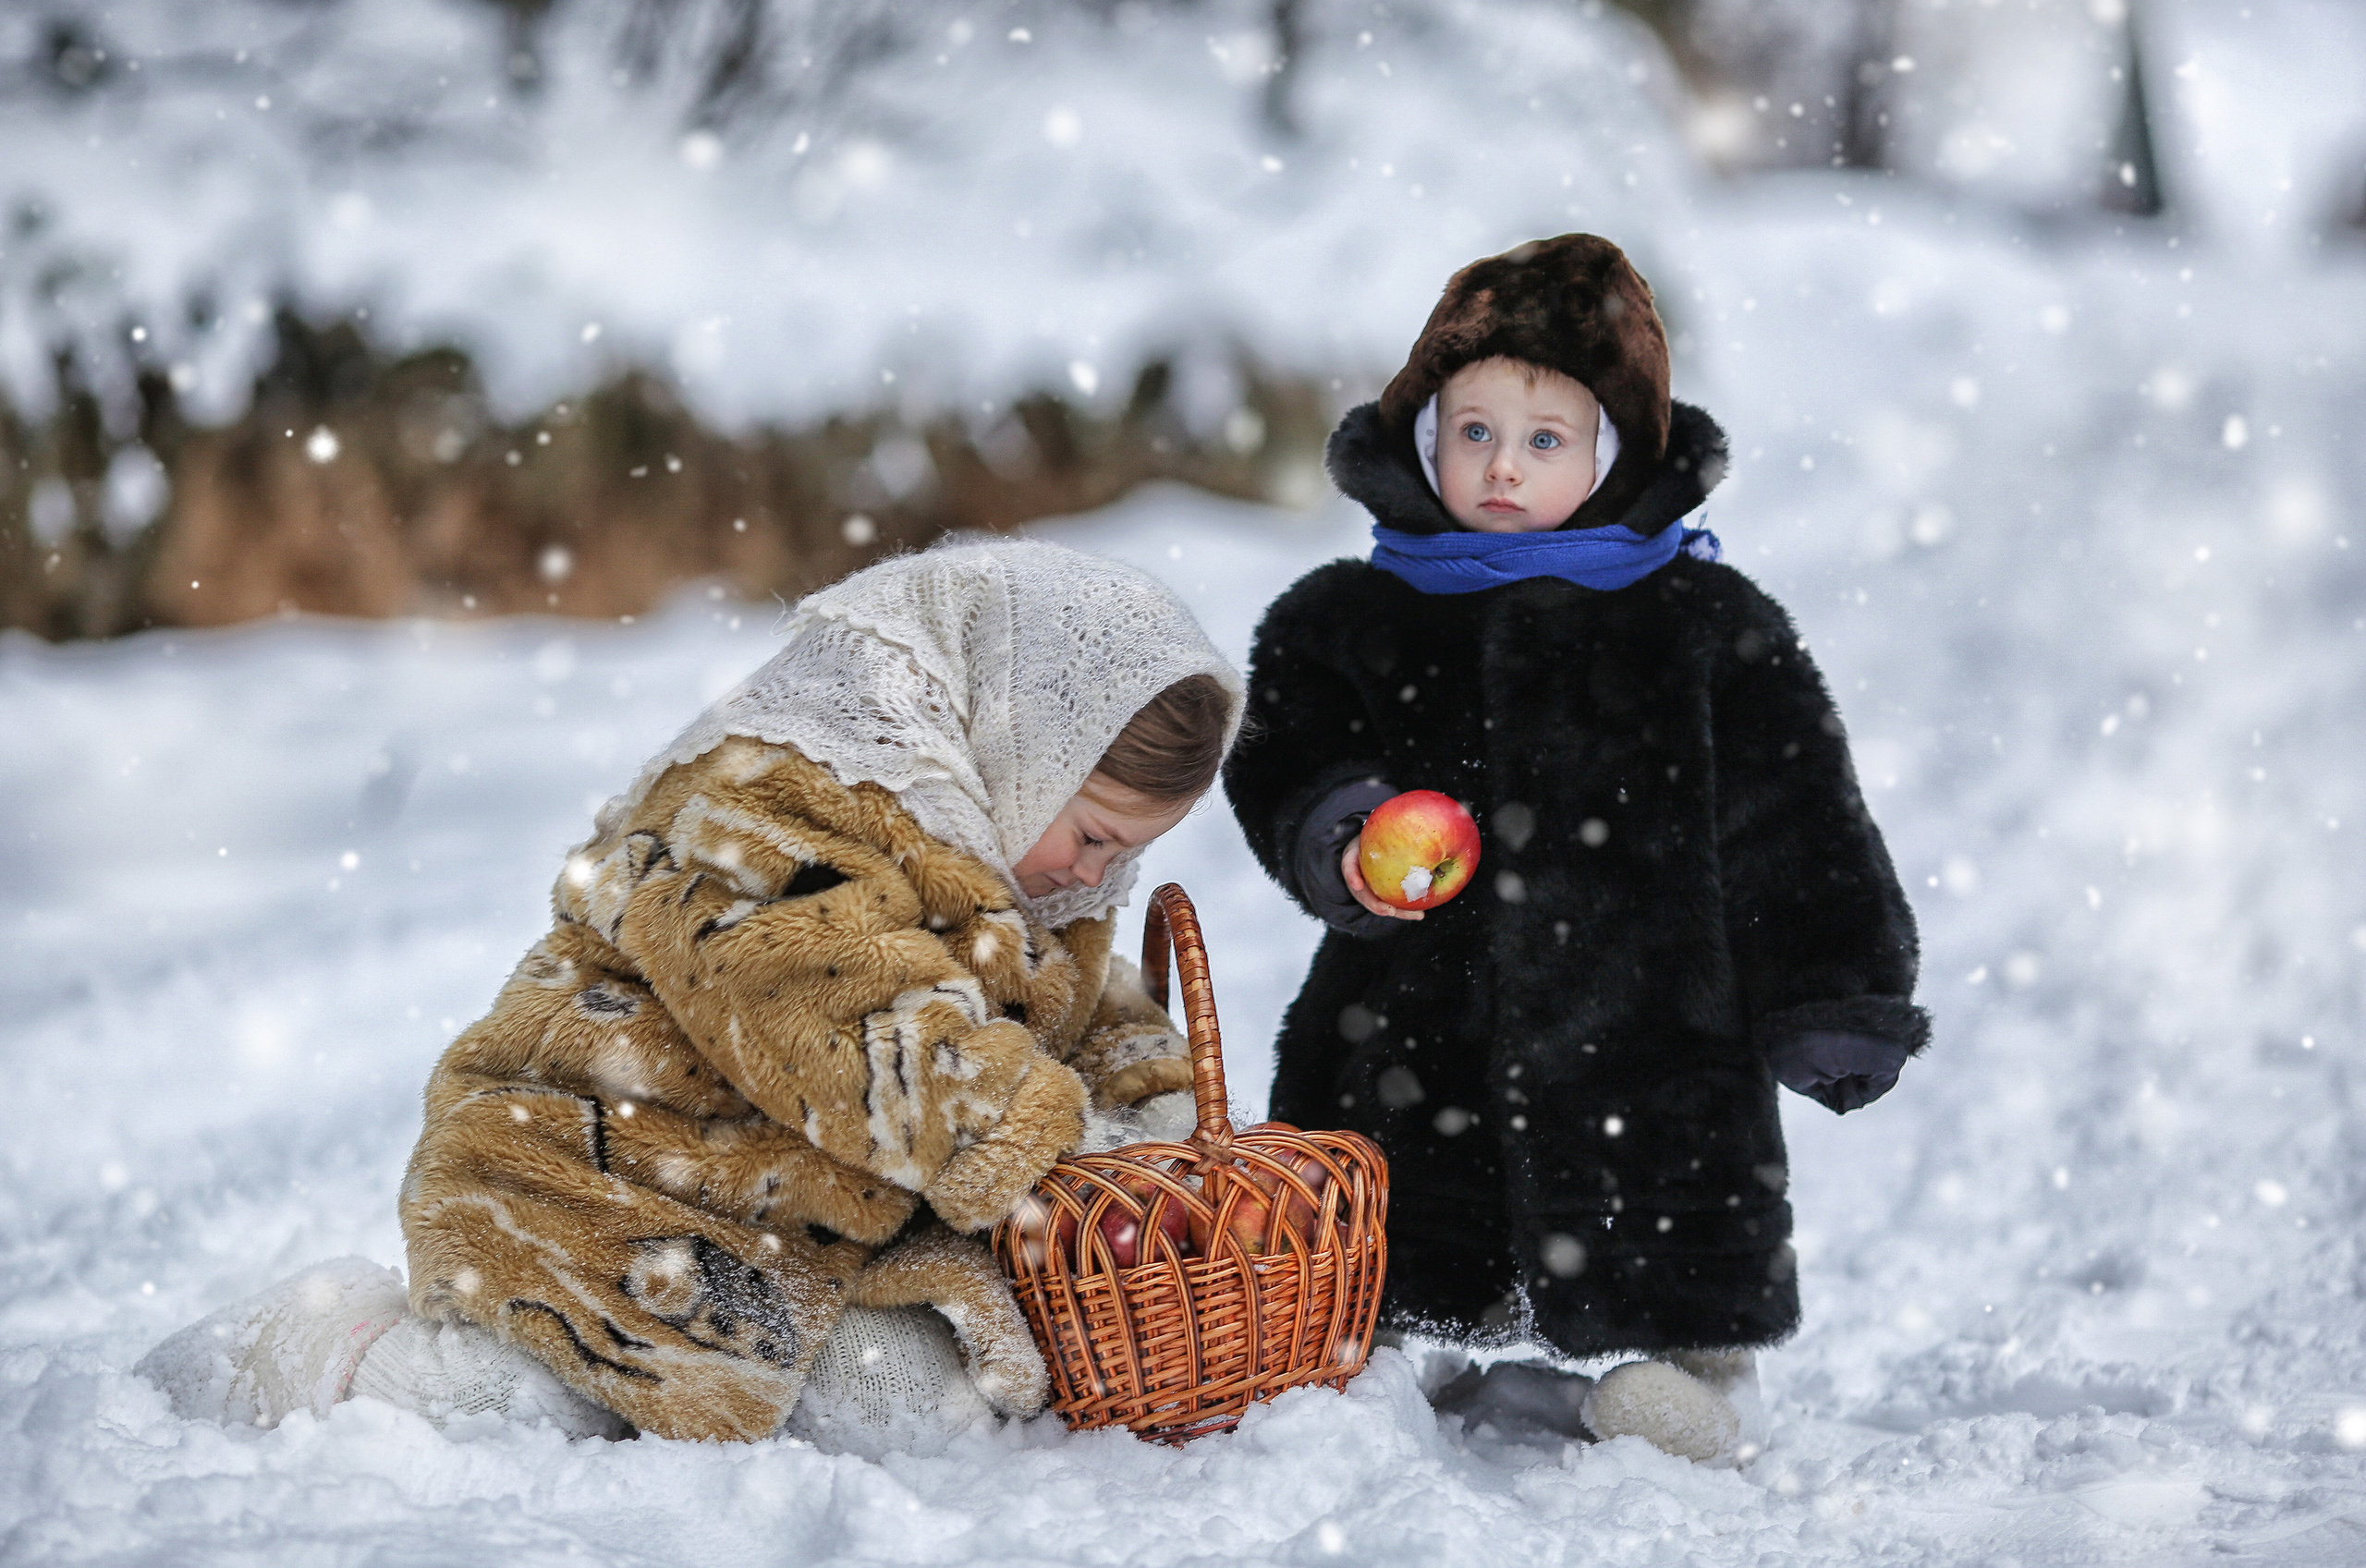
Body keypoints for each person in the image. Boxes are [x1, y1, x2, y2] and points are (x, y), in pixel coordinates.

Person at [140, 539, 1242, 1453]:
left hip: (796, 1231)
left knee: (926, 1408)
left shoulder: (1022, 853)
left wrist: (1161, 1116)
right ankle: (304, 1352)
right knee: (498, 1408)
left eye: (1126, 856)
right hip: (601, 1182)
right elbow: (843, 1017)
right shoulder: (775, 798)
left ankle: (726, 1377)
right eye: (1093, 835)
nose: (1093, 877)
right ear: (1024, 744)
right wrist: (1064, 1143)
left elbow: (1079, 1002)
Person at [1223, 234, 1928, 1463]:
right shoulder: (1353, 617)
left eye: (1546, 438)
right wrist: (1345, 828)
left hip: (1655, 1017)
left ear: (1615, 452)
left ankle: (1693, 1364)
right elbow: (1285, 750)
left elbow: (1799, 819)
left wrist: (1835, 989)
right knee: (1393, 1188)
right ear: (1422, 433)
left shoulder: (1705, 623)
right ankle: (1401, 1327)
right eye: (1473, 428)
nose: (1500, 466)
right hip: (1409, 1006)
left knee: (1665, 1186)